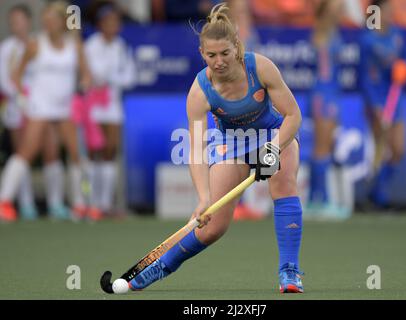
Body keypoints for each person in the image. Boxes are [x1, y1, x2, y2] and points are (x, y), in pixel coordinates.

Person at [128, 3, 304, 293]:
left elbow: (293, 116)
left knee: (283, 185)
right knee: (212, 227)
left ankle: (289, 272)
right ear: (202, 54)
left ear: (236, 47)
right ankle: (161, 266)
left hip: (274, 134)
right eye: (211, 55)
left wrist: (271, 149)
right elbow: (196, 150)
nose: (219, 61)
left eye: (225, 53)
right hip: (232, 144)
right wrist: (203, 198)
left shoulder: (260, 67)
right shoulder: (199, 92)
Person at [0, 1, 92, 221]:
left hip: (64, 107)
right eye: (45, 20)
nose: (47, 23)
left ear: (62, 22)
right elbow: (16, 75)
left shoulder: (75, 45)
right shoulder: (35, 44)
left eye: (52, 20)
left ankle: (82, 204)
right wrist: (23, 99)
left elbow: (86, 75)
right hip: (40, 106)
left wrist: (83, 91)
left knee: (75, 155)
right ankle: (4, 201)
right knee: (26, 152)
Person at [83, 1, 136, 219]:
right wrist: (102, 78)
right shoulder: (90, 46)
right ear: (100, 24)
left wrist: (111, 79)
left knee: (110, 152)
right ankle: (91, 203)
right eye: (108, 22)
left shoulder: (121, 47)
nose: (112, 26)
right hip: (92, 107)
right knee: (93, 152)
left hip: (112, 106)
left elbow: (129, 76)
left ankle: (105, 204)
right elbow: (90, 75)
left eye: (115, 22)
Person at [359, 0, 406, 208]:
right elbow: (364, 76)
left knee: (398, 149)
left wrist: (404, 68)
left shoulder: (398, 36)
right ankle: (377, 197)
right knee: (381, 146)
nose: (391, 14)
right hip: (377, 101)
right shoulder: (367, 40)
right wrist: (375, 105)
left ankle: (375, 190)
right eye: (387, 11)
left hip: (395, 96)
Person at [306, 0, 350, 218]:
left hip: (332, 94)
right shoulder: (322, 33)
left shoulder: (333, 31)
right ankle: (319, 200)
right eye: (335, 8)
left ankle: (318, 198)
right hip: (323, 95)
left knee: (327, 146)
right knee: (321, 148)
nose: (339, 10)